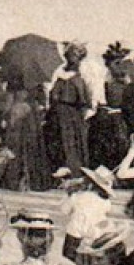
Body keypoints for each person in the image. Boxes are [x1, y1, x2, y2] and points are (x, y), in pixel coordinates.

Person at [44, 46, 92, 174]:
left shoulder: (73, 77)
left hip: (66, 114)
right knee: (67, 143)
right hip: (67, 114)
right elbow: (84, 100)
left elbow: (84, 100)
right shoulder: (70, 77)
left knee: (67, 142)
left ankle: (68, 170)